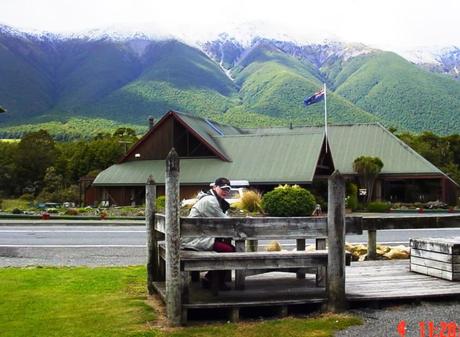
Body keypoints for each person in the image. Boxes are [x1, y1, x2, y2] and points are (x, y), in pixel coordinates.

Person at [181, 177, 235, 290]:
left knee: (229, 248)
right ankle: (215, 282)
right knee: (229, 250)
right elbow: (225, 221)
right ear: (215, 187)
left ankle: (210, 279)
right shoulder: (209, 201)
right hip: (193, 240)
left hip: (200, 237)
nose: (226, 191)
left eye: (228, 189)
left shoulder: (212, 199)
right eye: (223, 188)